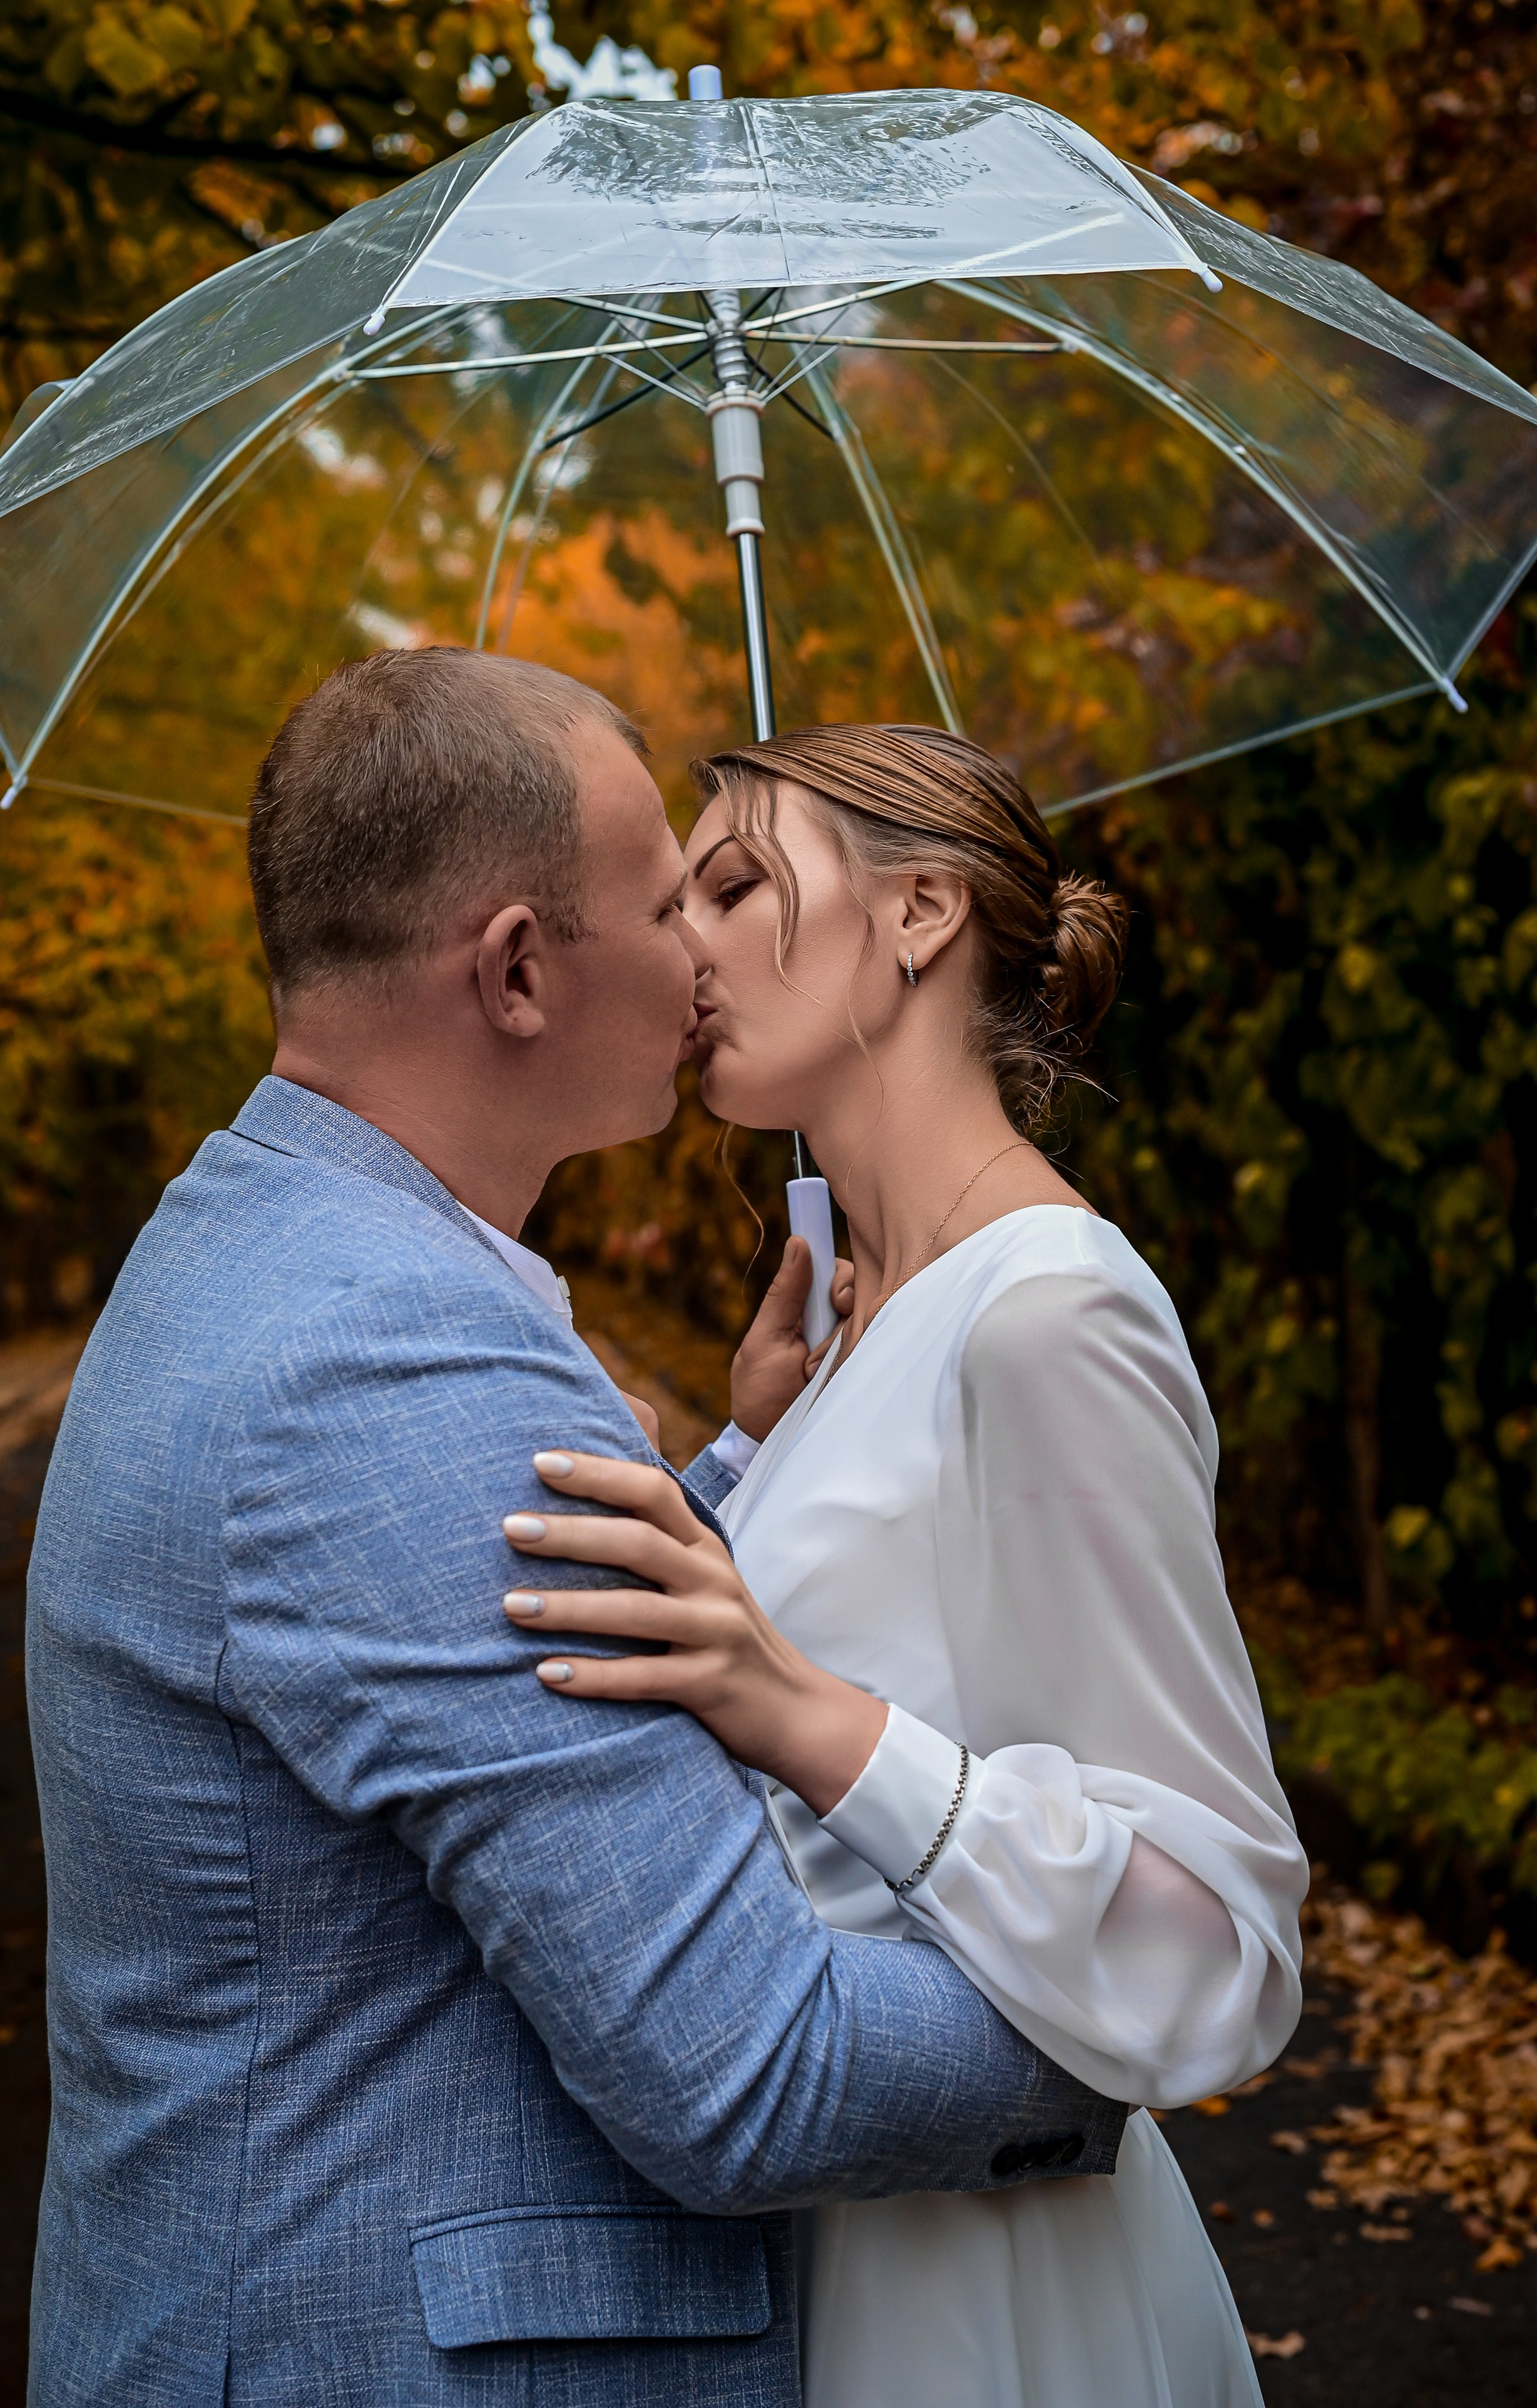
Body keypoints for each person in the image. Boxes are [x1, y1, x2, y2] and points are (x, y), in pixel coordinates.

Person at [24, 657, 1127, 2408]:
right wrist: (1130, 2023)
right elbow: (752, 2071)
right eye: (668, 901)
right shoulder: (392, 1361)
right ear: (521, 970)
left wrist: (742, 1466)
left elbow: (444, 1681)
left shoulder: (260, 1236)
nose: (705, 951)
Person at [495, 723, 1309, 2408]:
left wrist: (807, 1716)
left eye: (732, 885)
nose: (684, 942)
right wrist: (747, 1456)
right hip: (823, 2240)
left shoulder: (1052, 1313)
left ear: (922, 910)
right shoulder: (863, 1341)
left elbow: (1223, 1949)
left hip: (989, 2301)